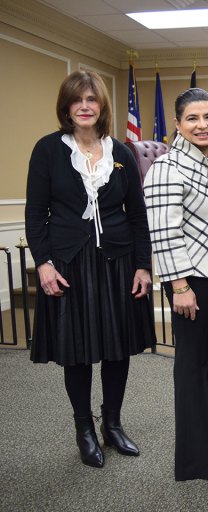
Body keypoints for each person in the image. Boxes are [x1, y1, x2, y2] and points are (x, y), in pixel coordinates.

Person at [25, 70, 154, 468]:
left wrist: (143, 266)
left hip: (117, 264)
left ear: (102, 107)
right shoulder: (48, 150)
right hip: (69, 265)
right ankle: (84, 428)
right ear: (67, 107)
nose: (84, 106)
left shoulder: (121, 152)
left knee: (117, 350)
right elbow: (35, 213)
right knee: (77, 353)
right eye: (77, 100)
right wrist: (43, 263)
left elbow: (138, 215)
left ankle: (112, 424)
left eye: (91, 100)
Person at [144, 88, 208, 481]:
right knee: (193, 366)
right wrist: (179, 286)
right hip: (194, 283)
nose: (202, 125)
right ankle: (196, 460)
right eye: (192, 118)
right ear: (177, 124)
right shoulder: (166, 168)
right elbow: (164, 233)